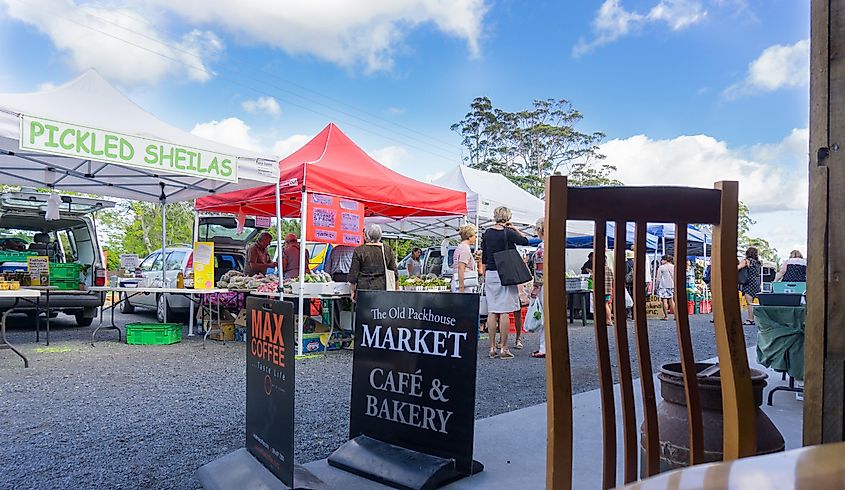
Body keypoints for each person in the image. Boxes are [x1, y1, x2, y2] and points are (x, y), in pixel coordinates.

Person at [480, 206, 529, 359]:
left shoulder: (487, 233)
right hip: (506, 273)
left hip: (491, 273)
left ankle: (492, 347)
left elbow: (484, 256)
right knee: (505, 311)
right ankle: (504, 348)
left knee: (492, 310)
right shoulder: (508, 233)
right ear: (508, 217)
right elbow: (525, 241)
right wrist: (514, 228)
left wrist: (485, 272)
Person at [348, 224, 398, 302]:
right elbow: (394, 272)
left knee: (364, 313)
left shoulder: (359, 250)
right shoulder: (387, 250)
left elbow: (354, 273)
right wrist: (396, 289)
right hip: (382, 289)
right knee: (380, 313)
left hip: (363, 290)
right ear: (380, 236)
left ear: (366, 236)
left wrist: (352, 291)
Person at [531, 218, 546, 359]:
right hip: (555, 283)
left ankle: (543, 347)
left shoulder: (541, 247)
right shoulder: (555, 245)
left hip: (544, 285)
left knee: (543, 316)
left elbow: (540, 270)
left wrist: (536, 286)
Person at [739, 247, 762, 325]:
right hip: (756, 282)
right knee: (755, 302)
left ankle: (750, 319)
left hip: (748, 282)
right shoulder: (758, 263)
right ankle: (755, 318)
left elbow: (737, 268)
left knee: (749, 302)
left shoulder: (747, 261)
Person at [452, 225, 478, 293]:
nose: (476, 238)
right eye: (475, 235)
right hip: (464, 282)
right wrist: (461, 287)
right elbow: (461, 267)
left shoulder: (460, 247)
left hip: (457, 280)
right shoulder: (465, 248)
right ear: (469, 237)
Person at [656, 255, 675, 321]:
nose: (661, 261)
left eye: (662, 259)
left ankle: (666, 316)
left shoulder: (661, 267)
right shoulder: (673, 267)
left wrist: (656, 286)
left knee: (664, 301)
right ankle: (675, 316)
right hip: (672, 285)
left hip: (663, 285)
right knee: (671, 300)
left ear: (665, 260)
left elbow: (658, 278)